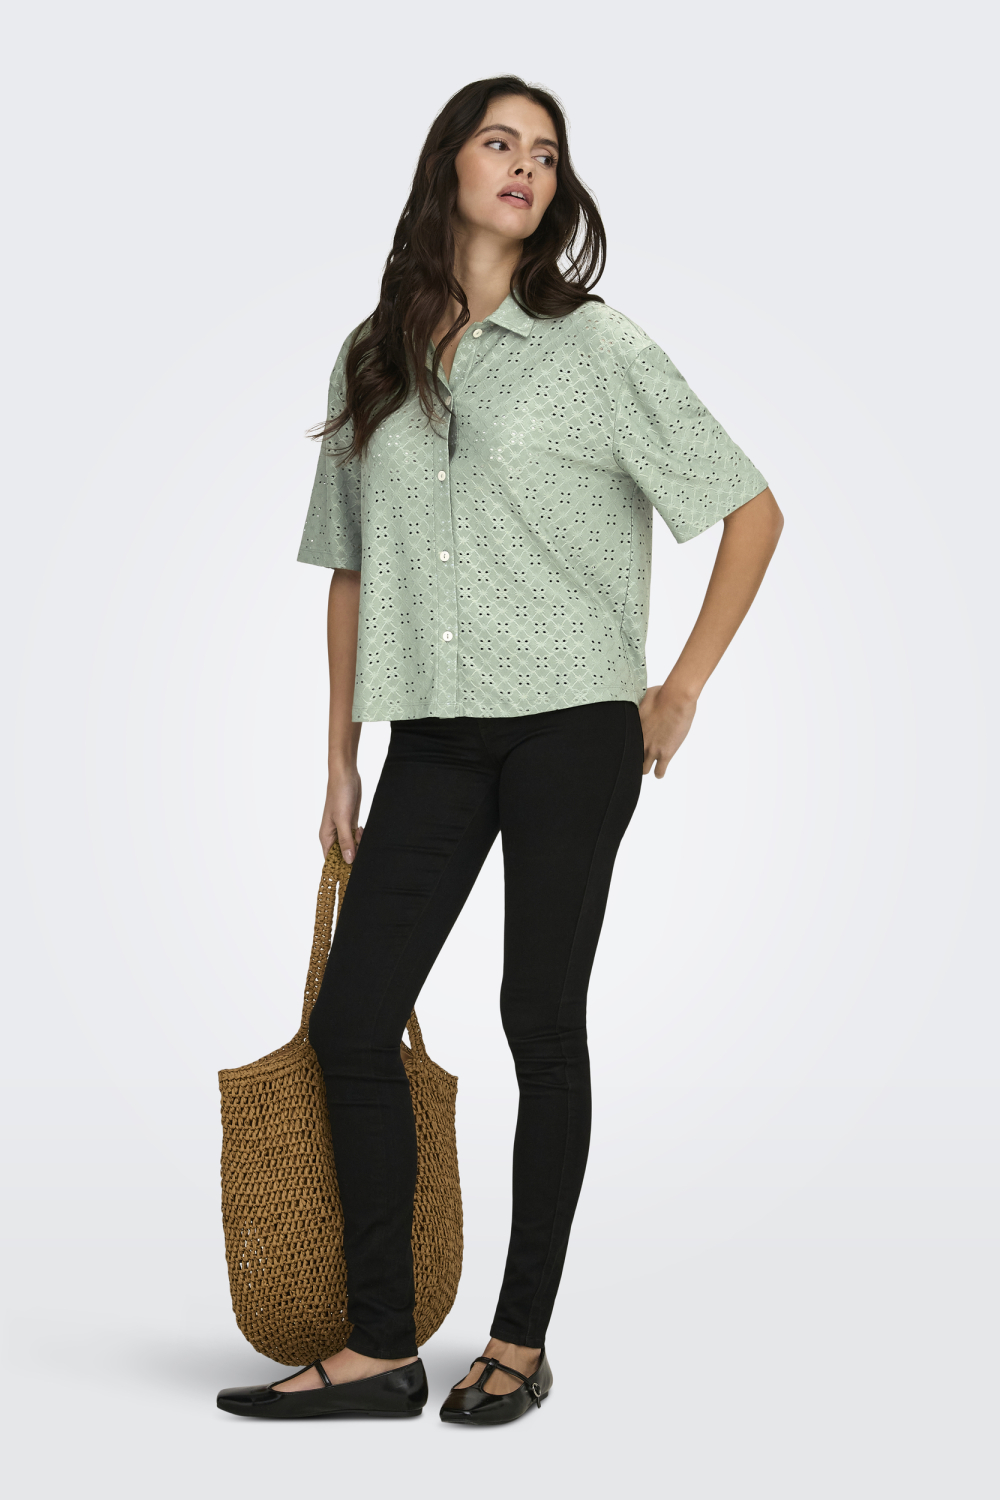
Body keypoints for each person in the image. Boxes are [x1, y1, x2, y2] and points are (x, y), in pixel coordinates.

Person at [217, 74, 783, 1427]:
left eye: (546, 152)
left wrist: (680, 690)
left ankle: (519, 1340)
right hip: (432, 736)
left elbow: (751, 510)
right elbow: (350, 568)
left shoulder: (598, 346)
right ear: (451, 169)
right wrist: (340, 757)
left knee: (540, 1017)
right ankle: (380, 1348)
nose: (526, 167)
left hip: (574, 731)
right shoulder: (375, 354)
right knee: (352, 1023)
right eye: (500, 143)